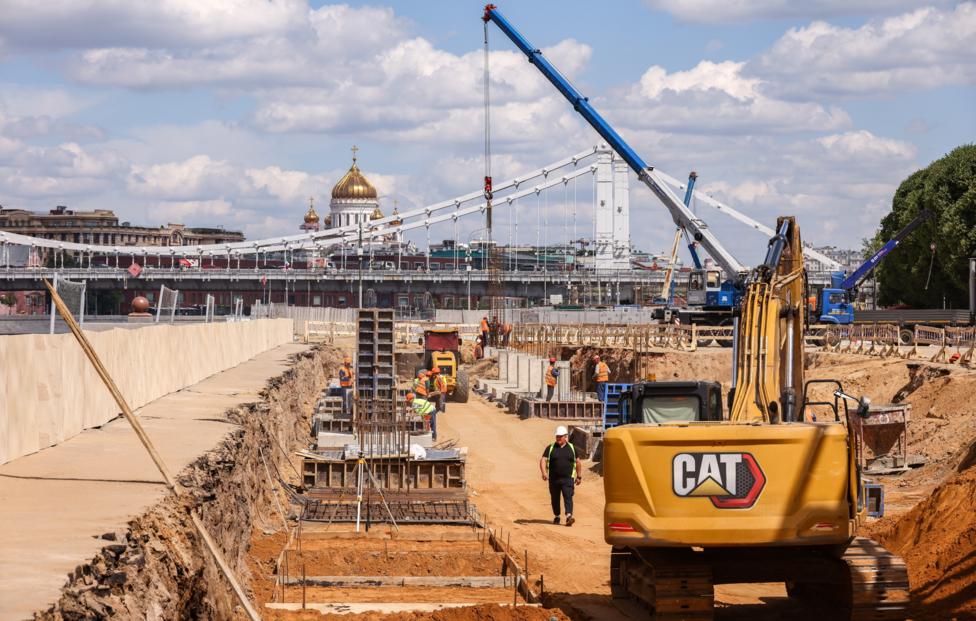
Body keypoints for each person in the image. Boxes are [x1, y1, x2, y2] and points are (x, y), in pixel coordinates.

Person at [539, 425, 582, 526]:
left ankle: (569, 516)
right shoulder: (550, 448)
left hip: (568, 479)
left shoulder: (572, 448)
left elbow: (578, 462)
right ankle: (557, 516)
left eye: (560, 436)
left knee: (568, 496)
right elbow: (543, 460)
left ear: (565, 436)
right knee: (555, 498)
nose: (558, 438)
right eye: (557, 436)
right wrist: (544, 473)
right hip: (554, 479)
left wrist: (579, 476)